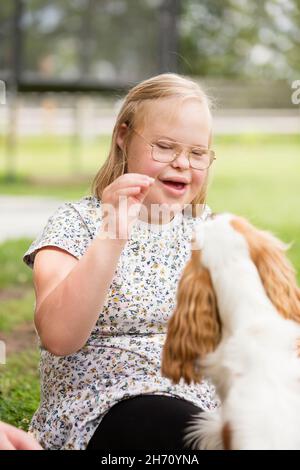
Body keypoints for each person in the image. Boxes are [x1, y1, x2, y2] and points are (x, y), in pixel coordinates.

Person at [22, 73, 218, 450]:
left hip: (202, 410)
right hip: (105, 409)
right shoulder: (77, 223)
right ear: (123, 137)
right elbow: (60, 337)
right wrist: (113, 230)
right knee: (177, 430)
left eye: (197, 153)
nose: (181, 163)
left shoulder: (208, 232)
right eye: (164, 147)